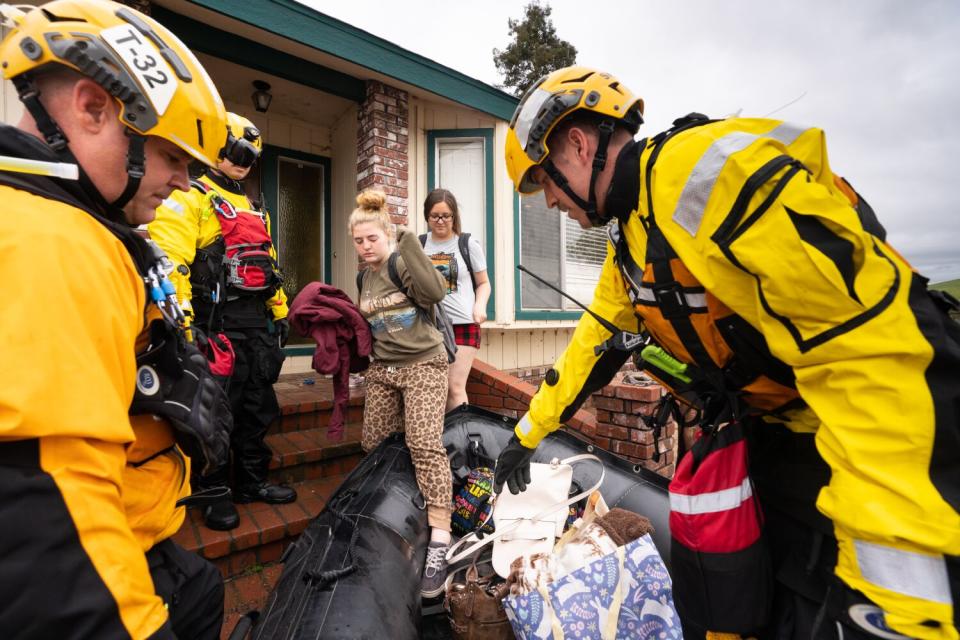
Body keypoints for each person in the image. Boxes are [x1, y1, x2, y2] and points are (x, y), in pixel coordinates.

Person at [496, 66, 959, 640]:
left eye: (543, 180)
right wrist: (526, 434)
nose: (547, 202)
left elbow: (876, 356)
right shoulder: (630, 240)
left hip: (859, 447)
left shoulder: (702, 175)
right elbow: (593, 348)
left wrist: (898, 602)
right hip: (770, 444)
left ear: (577, 143)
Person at [0, 1, 232, 638]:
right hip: (108, 579)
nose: (186, 182)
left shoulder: (77, 225)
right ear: (93, 106)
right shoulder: (54, 242)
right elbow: (49, 504)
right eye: (172, 155)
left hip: (139, 542)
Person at [149, 111, 296, 532]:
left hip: (257, 328)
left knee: (257, 407)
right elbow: (171, 258)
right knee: (216, 410)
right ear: (217, 148)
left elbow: (268, 266)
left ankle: (251, 482)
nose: (244, 161)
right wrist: (184, 324)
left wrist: (281, 313)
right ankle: (215, 492)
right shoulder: (191, 197)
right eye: (237, 151)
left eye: (252, 155)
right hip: (215, 327)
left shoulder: (253, 206)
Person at [350, 189, 453, 599]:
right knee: (373, 443)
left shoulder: (399, 261)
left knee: (424, 443)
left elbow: (435, 292)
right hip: (383, 370)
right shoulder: (364, 277)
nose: (364, 247)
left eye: (371, 238)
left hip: (424, 364)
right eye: (358, 241)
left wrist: (407, 239)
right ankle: (391, 510)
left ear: (386, 234)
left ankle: (440, 540)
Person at [420, 188, 491, 411]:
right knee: (430, 387)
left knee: (454, 387)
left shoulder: (468, 244)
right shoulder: (419, 246)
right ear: (427, 216)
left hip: (463, 325)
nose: (440, 221)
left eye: (446, 215)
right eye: (435, 216)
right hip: (429, 327)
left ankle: (460, 442)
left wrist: (480, 305)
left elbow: (484, 283)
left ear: (454, 217)